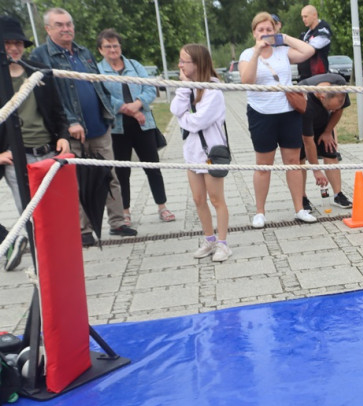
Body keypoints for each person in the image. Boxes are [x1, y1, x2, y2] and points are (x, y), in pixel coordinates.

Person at [31, 7, 132, 244]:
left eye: (69, 24)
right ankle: (83, 231)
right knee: (76, 182)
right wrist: (70, 122)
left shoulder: (84, 52)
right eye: (59, 25)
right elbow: (49, 97)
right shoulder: (40, 56)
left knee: (111, 177)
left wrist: (109, 111)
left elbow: (98, 85)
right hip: (71, 134)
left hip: (100, 127)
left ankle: (118, 223)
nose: (66, 29)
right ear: (48, 28)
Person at [0, 15, 70, 271]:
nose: (15, 48)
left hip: (49, 151)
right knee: (30, 214)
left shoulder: (37, 70)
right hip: (16, 157)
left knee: (54, 210)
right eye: (8, 43)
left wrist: (63, 135)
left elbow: (57, 108)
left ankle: (57, 260)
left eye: (18, 42)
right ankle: (44, 267)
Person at [238, 11, 316, 228]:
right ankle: (260, 212)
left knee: (293, 162)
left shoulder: (283, 51)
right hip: (261, 114)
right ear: (254, 32)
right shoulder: (246, 54)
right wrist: (256, 52)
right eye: (261, 29)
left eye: (269, 29)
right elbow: (247, 80)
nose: (265, 33)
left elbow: (309, 50)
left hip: (288, 113)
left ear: (275, 30)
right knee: (264, 165)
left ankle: (299, 208)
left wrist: (284, 38)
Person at [96, 29, 174, 226]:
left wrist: (138, 104)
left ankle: (162, 206)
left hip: (143, 123)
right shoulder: (98, 70)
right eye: (108, 46)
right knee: (122, 171)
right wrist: (127, 109)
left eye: (116, 45)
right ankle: (125, 211)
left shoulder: (135, 65)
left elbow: (149, 88)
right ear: (100, 50)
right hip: (118, 128)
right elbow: (102, 95)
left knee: (153, 166)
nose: (113, 49)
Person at [171, 44, 230, 262]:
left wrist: (183, 118)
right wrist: (185, 86)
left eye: (184, 61)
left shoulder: (213, 89)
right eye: (180, 60)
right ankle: (209, 239)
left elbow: (198, 122)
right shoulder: (188, 86)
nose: (180, 65)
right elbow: (175, 110)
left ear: (197, 63)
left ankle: (223, 244)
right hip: (192, 152)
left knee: (216, 199)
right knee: (198, 199)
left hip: (211, 152)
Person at [298, 73, 352, 212]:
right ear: (322, 97)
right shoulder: (305, 99)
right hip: (300, 125)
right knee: (299, 160)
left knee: (331, 153)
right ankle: (302, 198)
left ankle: (338, 194)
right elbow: (308, 142)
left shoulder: (339, 84)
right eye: (330, 108)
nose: (333, 110)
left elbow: (339, 109)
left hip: (323, 124)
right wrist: (317, 171)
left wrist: (328, 132)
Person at [298, 5, 331, 80]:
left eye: (306, 16)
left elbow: (310, 48)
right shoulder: (306, 33)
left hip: (318, 77)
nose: (303, 19)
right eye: (302, 17)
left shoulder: (323, 31)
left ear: (314, 15)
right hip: (305, 77)